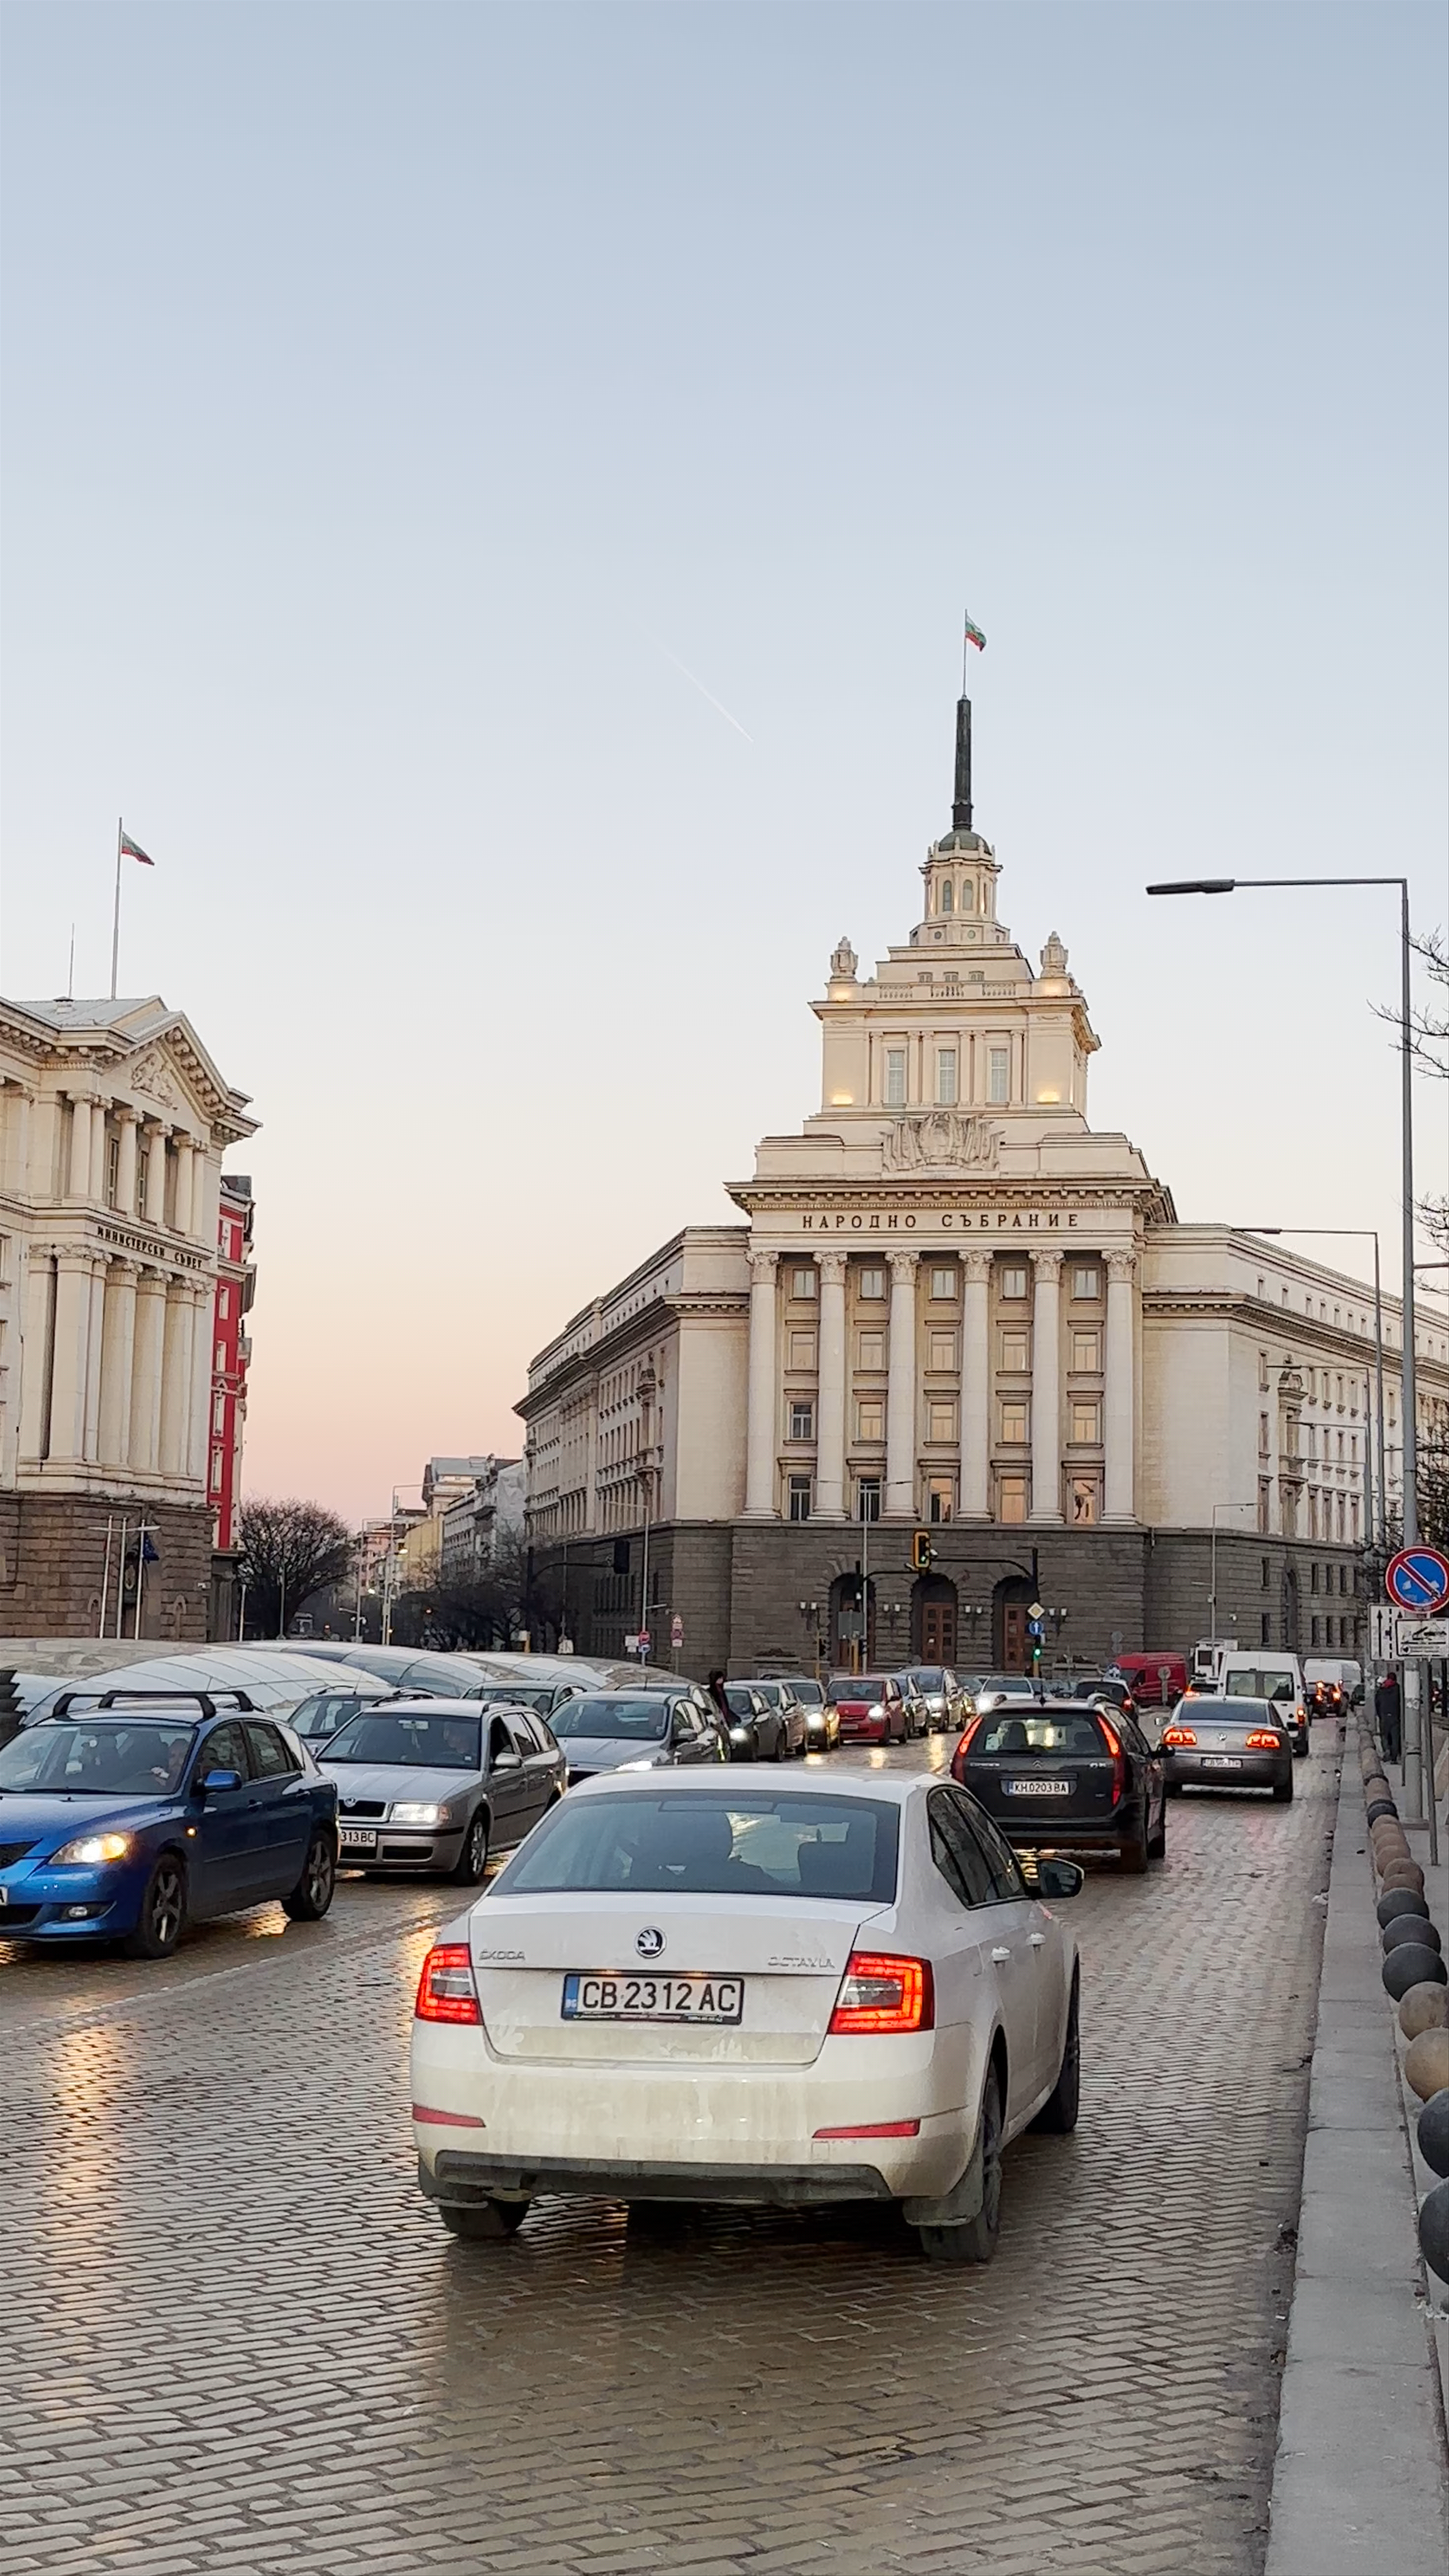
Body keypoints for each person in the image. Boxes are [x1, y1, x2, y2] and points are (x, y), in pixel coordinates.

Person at [1374, 1666, 1402, 1764]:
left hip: (1384, 1717)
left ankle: (1387, 1751)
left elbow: (1377, 1704)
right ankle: (1394, 1758)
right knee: (1395, 1738)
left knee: (1385, 1736)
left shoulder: (1382, 1690)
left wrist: (1381, 1716)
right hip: (1395, 1717)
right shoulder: (1399, 1690)